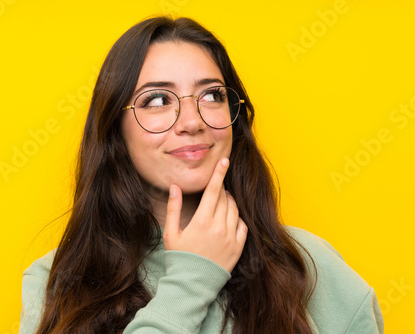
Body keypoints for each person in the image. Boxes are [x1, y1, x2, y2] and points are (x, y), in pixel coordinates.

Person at [19, 16, 384, 334]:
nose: (193, 122)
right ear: (116, 129)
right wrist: (192, 280)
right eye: (158, 100)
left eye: (212, 95)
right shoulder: (56, 282)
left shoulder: (314, 270)